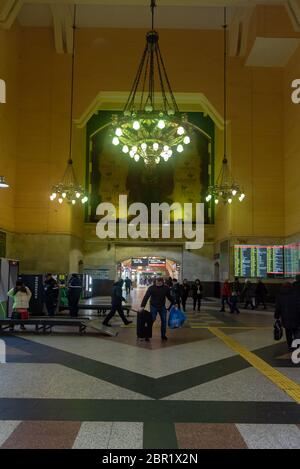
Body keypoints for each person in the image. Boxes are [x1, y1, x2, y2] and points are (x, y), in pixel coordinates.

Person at [140, 276, 173, 340]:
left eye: (160, 283)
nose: (158, 284)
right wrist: (142, 306)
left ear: (162, 282)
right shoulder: (151, 288)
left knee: (164, 321)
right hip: (153, 306)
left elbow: (169, 296)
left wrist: (174, 302)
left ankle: (163, 335)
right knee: (152, 320)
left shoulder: (166, 288)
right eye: (157, 283)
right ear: (155, 282)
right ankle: (147, 335)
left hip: (162, 306)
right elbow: (146, 297)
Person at [275, 282, 300, 352]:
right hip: (296, 316)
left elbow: (278, 307)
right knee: (296, 331)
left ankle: (290, 346)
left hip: (285, 317)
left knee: (288, 331)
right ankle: (296, 345)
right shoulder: (296, 294)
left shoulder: (280, 295)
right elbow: (298, 305)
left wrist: (276, 316)